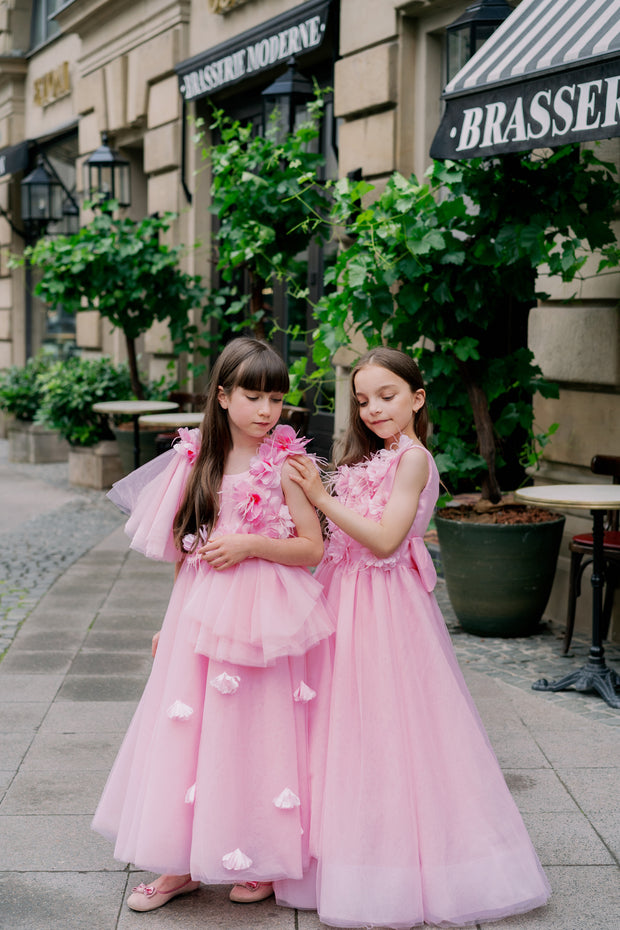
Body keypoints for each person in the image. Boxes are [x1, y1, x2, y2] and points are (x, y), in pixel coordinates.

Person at [288, 347, 551, 929]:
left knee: (388, 728)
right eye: (363, 400)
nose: (374, 409)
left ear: (417, 397)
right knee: (340, 727)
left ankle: (400, 867)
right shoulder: (371, 457)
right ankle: (341, 857)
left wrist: (322, 496)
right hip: (344, 594)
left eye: (387, 396)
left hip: (383, 606)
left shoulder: (412, 459)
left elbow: (384, 540)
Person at [92, 337, 334, 913]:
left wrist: (253, 543)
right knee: (186, 728)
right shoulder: (192, 459)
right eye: (253, 396)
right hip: (197, 611)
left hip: (263, 613)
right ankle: (180, 862)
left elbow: (312, 549)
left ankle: (259, 856)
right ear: (223, 396)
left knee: (254, 729)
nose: (266, 411)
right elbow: (187, 551)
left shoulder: (289, 466)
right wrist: (167, 622)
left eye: (276, 398)